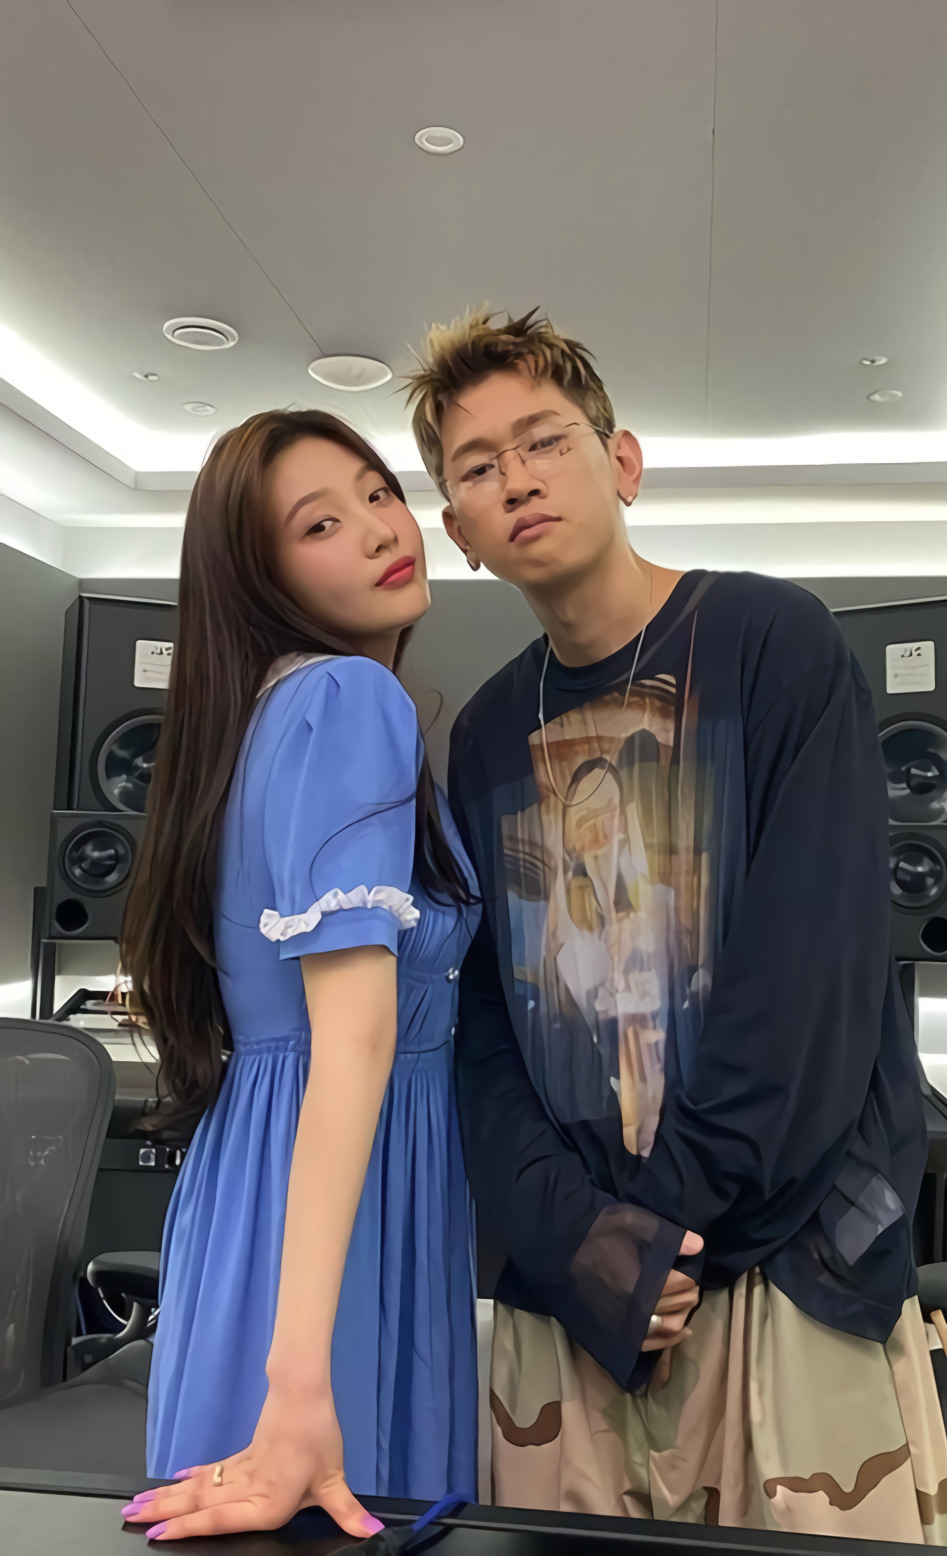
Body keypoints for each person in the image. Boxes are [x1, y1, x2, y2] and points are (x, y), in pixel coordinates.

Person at [405, 310, 947, 1543]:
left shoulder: (775, 645)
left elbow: (806, 988)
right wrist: (579, 1240)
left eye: (543, 439)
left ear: (623, 461)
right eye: (478, 466)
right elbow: (487, 1025)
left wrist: (655, 1231)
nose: (517, 478)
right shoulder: (486, 734)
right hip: (575, 1291)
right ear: (460, 531)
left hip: (778, 1267)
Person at [118, 410, 479, 1543]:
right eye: (319, 523)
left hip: (260, 1188)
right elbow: (354, 1036)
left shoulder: (256, 715)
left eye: (377, 492)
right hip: (341, 1204)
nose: (379, 528)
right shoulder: (346, 701)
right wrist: (300, 1378)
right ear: (258, 574)